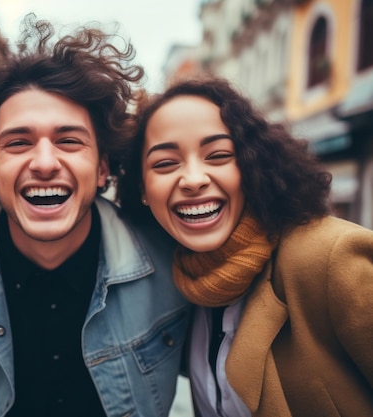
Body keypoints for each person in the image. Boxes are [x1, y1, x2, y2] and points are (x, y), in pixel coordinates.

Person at [0, 15, 190, 417]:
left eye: (68, 140)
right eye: (19, 142)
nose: (45, 162)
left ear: (102, 169)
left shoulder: (176, 268)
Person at [118, 76, 373, 417]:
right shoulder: (183, 282)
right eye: (165, 163)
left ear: (252, 165)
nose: (193, 179)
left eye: (219, 155)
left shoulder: (331, 255)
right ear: (143, 190)